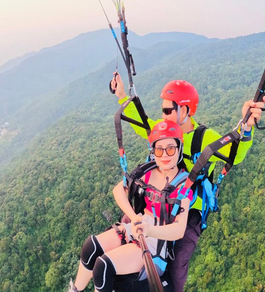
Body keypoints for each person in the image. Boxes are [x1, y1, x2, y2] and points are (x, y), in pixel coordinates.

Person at [111, 73, 265, 292]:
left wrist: (246, 127)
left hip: (188, 208)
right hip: (158, 198)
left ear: (184, 110)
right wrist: (122, 95)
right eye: (162, 110)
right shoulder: (163, 130)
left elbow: (235, 154)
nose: (163, 116)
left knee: (177, 263)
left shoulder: (204, 139)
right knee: (125, 228)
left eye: (167, 110)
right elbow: (141, 123)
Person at [68, 120, 193, 292]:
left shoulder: (182, 185)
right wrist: (134, 217)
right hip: (137, 225)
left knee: (103, 266)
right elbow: (118, 190)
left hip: (157, 243)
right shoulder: (147, 171)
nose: (165, 155)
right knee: (91, 246)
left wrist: (149, 230)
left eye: (170, 148)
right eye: (159, 149)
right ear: (153, 151)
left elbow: (179, 230)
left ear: (179, 149)